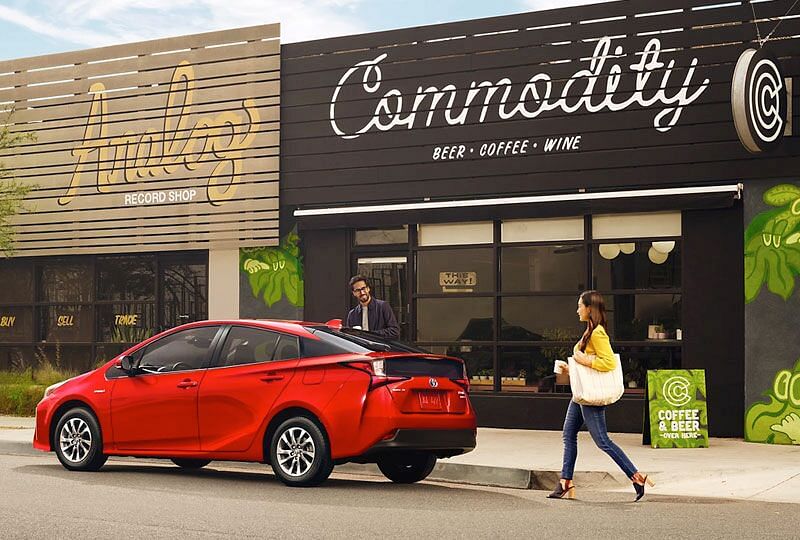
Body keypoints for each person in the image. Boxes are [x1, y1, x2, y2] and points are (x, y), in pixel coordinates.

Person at [548, 290, 654, 501]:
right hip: (581, 394)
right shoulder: (589, 331)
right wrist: (570, 369)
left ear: (589, 308)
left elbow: (608, 363)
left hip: (591, 396)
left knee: (602, 441)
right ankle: (565, 482)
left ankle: (636, 476)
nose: (577, 309)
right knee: (568, 434)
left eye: (580, 306)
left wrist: (580, 360)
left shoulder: (597, 333)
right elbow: (588, 364)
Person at [345, 275, 400, 339]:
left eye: (363, 288)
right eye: (358, 290)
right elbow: (349, 338)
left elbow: (395, 331)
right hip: (360, 348)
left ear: (368, 288)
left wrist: (371, 334)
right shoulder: (352, 314)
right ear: (354, 293)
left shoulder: (383, 306)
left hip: (379, 347)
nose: (362, 292)